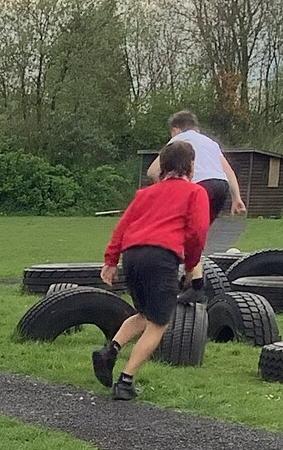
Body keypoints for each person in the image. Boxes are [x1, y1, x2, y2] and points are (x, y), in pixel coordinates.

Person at [93, 138, 209, 401]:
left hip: (132, 255)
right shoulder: (195, 193)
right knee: (159, 322)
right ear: (191, 166)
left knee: (144, 314)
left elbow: (122, 227)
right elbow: (198, 232)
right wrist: (191, 264)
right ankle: (125, 381)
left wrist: (110, 261)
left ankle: (109, 351)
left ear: (163, 167)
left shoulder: (145, 194)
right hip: (161, 257)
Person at [146, 110, 245, 227]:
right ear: (196, 129)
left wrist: (166, 191)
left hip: (198, 185)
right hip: (221, 186)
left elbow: (152, 172)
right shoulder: (210, 142)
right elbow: (228, 170)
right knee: (201, 227)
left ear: (175, 130)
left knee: (181, 225)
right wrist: (236, 198)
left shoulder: (178, 140)